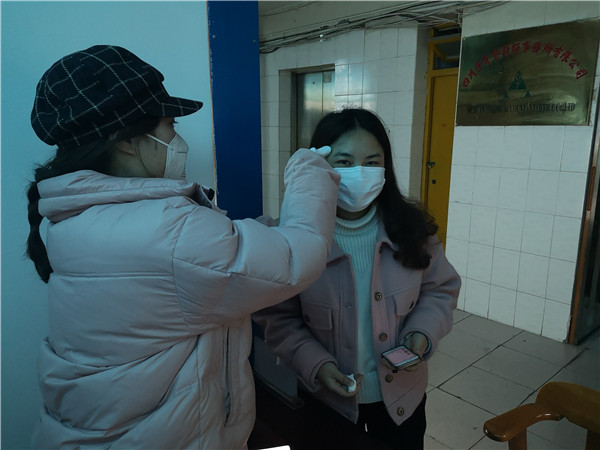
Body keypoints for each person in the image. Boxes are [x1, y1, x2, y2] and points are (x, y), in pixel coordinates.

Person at [25, 45, 340, 449]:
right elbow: (299, 257)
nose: (177, 137)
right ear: (126, 141)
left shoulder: (78, 216)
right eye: (170, 124)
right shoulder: (167, 230)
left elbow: (200, 264)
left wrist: (260, 233)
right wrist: (309, 172)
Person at [253, 108, 461, 449]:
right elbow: (279, 318)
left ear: (385, 167)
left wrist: (422, 334)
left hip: (401, 401)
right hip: (325, 403)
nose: (359, 173)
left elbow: (439, 290)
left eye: (371, 162)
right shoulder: (293, 240)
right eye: (344, 162)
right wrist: (315, 364)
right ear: (321, 165)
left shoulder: (413, 231)